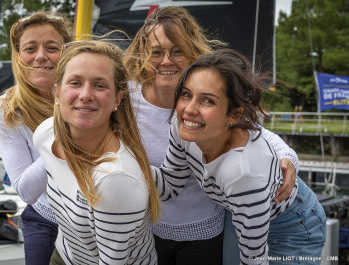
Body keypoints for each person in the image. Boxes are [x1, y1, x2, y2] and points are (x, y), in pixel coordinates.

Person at [123, 6, 300, 265]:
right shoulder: (129, 100)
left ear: (192, 53)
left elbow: (256, 132)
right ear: (143, 54)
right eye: (156, 52)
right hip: (152, 225)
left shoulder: (213, 102)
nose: (165, 61)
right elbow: (170, 181)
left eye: (177, 51)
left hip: (209, 224)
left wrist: (287, 157)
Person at [153, 49, 326, 264]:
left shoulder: (242, 173)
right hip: (244, 212)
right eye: (186, 94)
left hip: (291, 223)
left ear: (234, 115)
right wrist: (120, 165)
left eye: (207, 101)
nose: (189, 109)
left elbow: (254, 260)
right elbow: (170, 185)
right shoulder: (182, 128)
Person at [33, 40, 161, 265]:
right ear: (56, 92)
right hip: (65, 255)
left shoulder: (116, 181)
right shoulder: (45, 135)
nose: (85, 94)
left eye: (99, 85)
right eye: (75, 82)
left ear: (117, 99)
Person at [0, 11, 73, 265]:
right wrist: (65, 131)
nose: (40, 56)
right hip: (46, 217)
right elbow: (26, 191)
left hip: (99, 217)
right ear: (18, 56)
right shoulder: (7, 109)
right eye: (30, 48)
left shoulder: (93, 93)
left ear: (68, 52)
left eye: (52, 47)